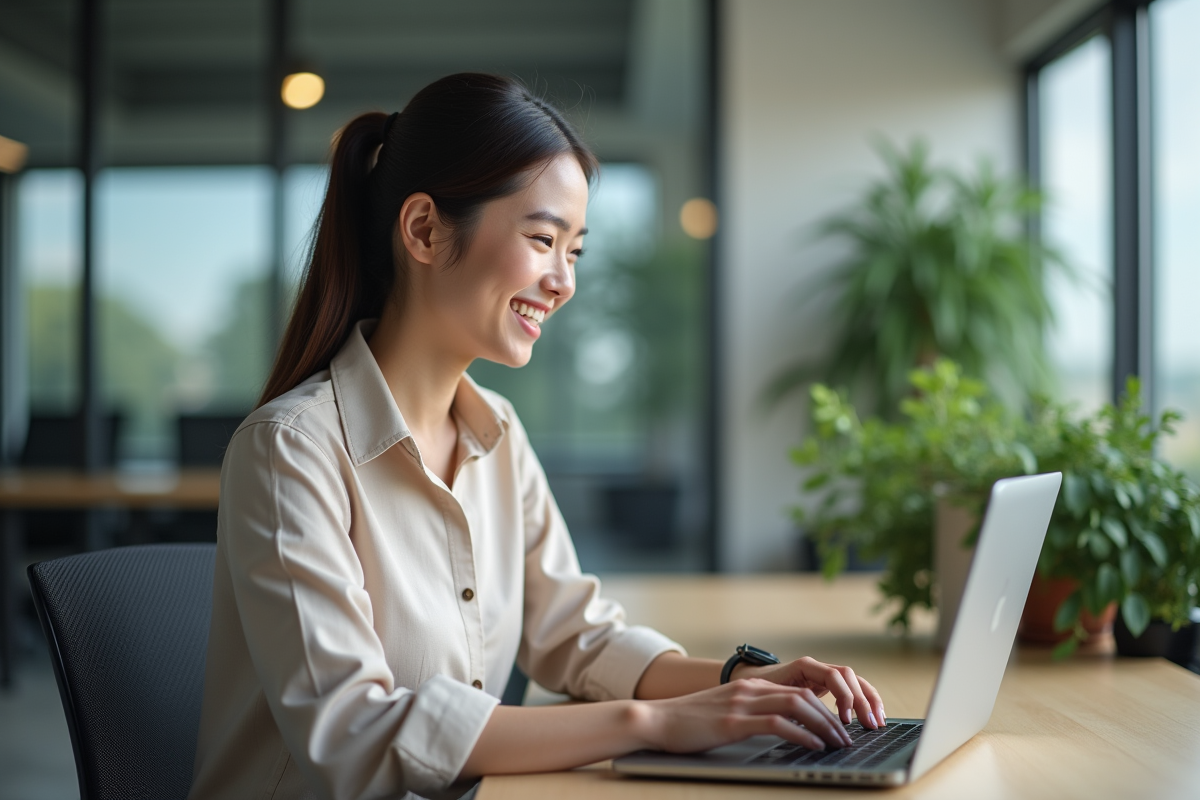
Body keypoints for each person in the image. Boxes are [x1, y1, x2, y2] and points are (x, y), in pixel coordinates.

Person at [188, 73, 886, 800]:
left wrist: (741, 682)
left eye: (575, 251)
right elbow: (353, 737)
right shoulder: (289, 450)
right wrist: (654, 723)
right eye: (543, 239)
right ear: (424, 229)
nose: (563, 281)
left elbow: (577, 637)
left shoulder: (498, 433)